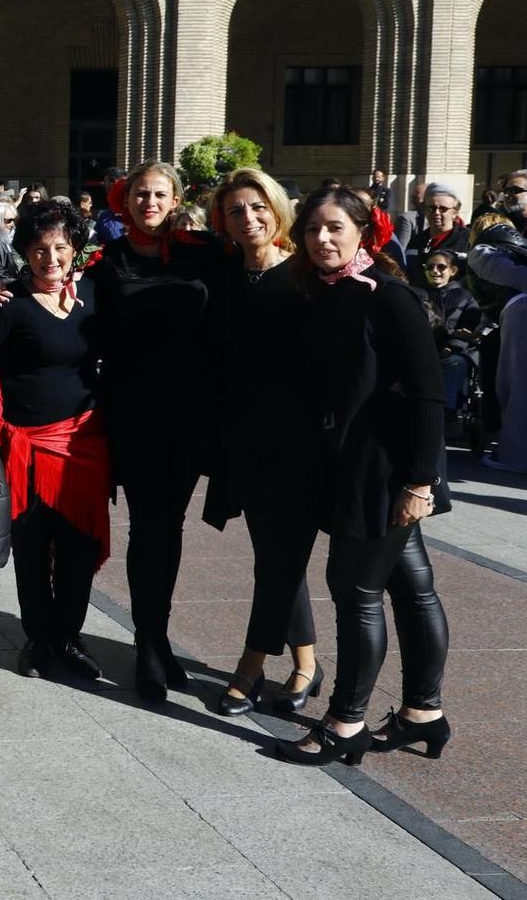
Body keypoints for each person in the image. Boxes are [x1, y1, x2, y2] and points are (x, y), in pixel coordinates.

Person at [277, 186, 452, 766]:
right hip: (355, 464)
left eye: (334, 228)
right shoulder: (325, 292)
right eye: (311, 230)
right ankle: (423, 713)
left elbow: (430, 394)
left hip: (388, 473)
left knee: (356, 591)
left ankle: (345, 722)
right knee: (412, 586)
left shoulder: (388, 296)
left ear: (362, 231)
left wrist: (420, 483)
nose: (322, 239)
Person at [91, 161, 224, 703]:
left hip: (190, 415)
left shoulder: (203, 253)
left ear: (176, 199)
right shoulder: (107, 261)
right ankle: (147, 646)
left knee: (171, 528)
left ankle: (160, 638)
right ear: (125, 201)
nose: (150, 202)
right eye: (141, 193)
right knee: (148, 528)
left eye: (160, 194)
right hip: (135, 414)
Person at [202, 169, 321, 716]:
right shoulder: (226, 277)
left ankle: (251, 666)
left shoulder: (304, 278)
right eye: (235, 211)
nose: (247, 219)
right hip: (242, 440)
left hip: (294, 445)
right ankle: (307, 661)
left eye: (257, 208)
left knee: (276, 558)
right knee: (277, 557)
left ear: (277, 210)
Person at [0, 203, 111, 684]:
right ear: (25, 253)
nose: (49, 257)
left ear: (75, 251)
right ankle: (38, 640)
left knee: (77, 547)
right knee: (33, 549)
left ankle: (69, 639)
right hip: (25, 446)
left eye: (59, 248)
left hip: (82, 445)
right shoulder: (7, 302)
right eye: (38, 249)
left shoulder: (93, 296)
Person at [465, 211, 527, 474]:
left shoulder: (483, 250)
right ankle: (526, 452)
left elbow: (515, 280)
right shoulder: (523, 251)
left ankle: (516, 458)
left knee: (518, 387)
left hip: (524, 314)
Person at [416, 249, 482, 422]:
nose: (435, 271)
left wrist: (451, 346)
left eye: (441, 267)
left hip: (452, 352)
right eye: (430, 266)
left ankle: (447, 410)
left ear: (452, 271)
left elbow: (468, 327)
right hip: (421, 348)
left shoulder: (464, 296)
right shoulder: (416, 293)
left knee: (456, 363)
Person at [414, 184, 468, 258]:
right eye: (431, 208)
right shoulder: (416, 241)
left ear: (455, 212)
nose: (436, 213)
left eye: (443, 209)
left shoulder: (467, 240)